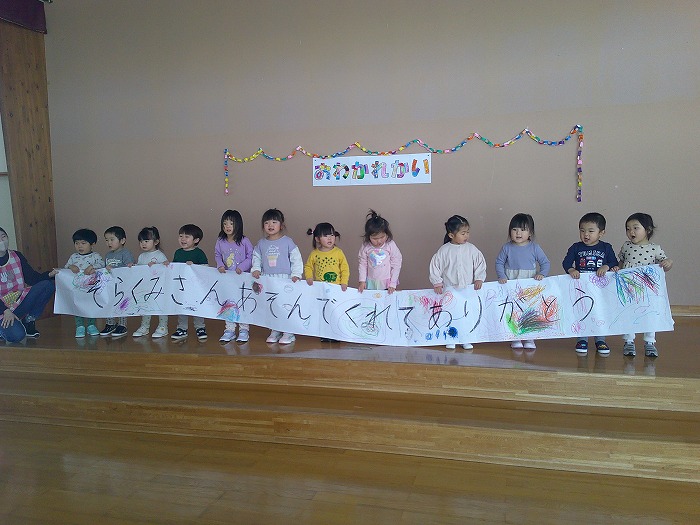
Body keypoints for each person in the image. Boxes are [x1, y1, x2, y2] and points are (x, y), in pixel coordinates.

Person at [617, 213, 673, 358]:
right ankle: (629, 341)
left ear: (647, 230)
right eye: (628, 228)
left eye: (635, 228)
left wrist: (668, 263)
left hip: (648, 289)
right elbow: (621, 263)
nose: (631, 232)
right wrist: (617, 269)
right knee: (629, 313)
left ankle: (650, 342)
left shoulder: (655, 248)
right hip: (629, 288)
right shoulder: (626, 246)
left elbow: (665, 263)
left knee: (649, 314)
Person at [562, 212, 619, 356]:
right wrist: (571, 270)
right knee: (583, 312)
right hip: (582, 288)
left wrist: (606, 266)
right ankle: (582, 339)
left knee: (600, 312)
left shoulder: (606, 247)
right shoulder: (576, 247)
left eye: (591, 231)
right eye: (582, 231)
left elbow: (614, 262)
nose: (585, 234)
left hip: (600, 289)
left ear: (601, 233)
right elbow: (566, 262)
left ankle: (600, 340)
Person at [429, 215, 487, 350]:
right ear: (451, 235)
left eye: (467, 232)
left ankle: (466, 339)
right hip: (450, 289)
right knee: (452, 314)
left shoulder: (471, 249)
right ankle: (451, 338)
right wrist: (437, 282)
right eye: (463, 233)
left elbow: (480, 263)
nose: (466, 236)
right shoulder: (444, 250)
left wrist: (479, 278)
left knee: (467, 314)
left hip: (467, 289)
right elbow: (435, 266)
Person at [495, 213, 551, 350]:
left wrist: (541, 274)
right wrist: (502, 276)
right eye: (514, 229)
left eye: (523, 230)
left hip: (529, 286)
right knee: (513, 310)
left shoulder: (534, 247)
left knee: (529, 310)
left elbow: (545, 263)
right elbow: (499, 262)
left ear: (530, 232)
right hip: (511, 284)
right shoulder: (507, 247)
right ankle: (515, 338)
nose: (518, 233)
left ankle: (529, 338)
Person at [251, 208, 303, 345]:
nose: (270, 225)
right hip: (268, 279)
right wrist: (256, 269)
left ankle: (288, 332)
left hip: (285, 278)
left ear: (281, 225)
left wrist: (296, 274)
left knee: (285, 304)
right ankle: (275, 329)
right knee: (272, 305)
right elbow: (256, 258)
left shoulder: (287, 242)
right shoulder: (261, 243)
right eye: (267, 223)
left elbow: (296, 258)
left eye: (274, 222)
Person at [0, 226, 55, 342]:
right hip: (2, 310)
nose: (1, 241)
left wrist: (51, 274)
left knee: (47, 285)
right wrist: (5, 310)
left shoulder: (16, 256)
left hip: (17, 301)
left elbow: (33, 278)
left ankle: (28, 320)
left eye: (3, 237)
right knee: (17, 336)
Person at [50, 228, 103, 337]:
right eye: (77, 243)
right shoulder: (73, 257)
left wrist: (92, 267)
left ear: (92, 244)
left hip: (90, 288)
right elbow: (65, 269)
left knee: (91, 305)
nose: (80, 246)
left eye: (83, 243)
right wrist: (71, 267)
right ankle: (80, 326)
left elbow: (102, 265)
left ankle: (91, 325)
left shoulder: (95, 256)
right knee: (77, 306)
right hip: (77, 288)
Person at [305, 223, 349, 343]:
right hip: (321, 289)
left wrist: (344, 282)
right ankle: (324, 333)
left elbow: (345, 268)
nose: (330, 238)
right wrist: (309, 277)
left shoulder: (338, 252)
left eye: (332, 235)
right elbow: (308, 266)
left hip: (336, 288)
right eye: (325, 236)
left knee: (335, 311)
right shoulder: (315, 253)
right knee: (323, 311)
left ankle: (336, 334)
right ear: (317, 239)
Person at [215, 210, 253, 343]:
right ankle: (229, 330)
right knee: (229, 303)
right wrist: (220, 265)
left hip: (242, 279)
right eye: (225, 223)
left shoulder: (244, 241)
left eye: (231, 223)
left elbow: (251, 257)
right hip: (228, 279)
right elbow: (217, 255)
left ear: (238, 224)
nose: (227, 226)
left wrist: (241, 267)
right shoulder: (220, 241)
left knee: (242, 303)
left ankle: (244, 330)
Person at [93, 226, 135, 339]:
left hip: (122, 285)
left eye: (112, 239)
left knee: (121, 304)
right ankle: (110, 323)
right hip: (110, 285)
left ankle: (122, 325)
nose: (109, 243)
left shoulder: (126, 253)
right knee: (109, 303)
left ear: (122, 240)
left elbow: (130, 268)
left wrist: (127, 267)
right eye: (107, 240)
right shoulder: (108, 255)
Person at [170, 224, 209, 342]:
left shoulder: (199, 253)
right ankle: (182, 329)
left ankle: (200, 328)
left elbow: (205, 268)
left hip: (196, 287)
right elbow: (174, 268)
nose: (183, 239)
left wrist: (194, 266)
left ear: (196, 240)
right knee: (182, 307)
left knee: (196, 307)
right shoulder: (178, 253)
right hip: (182, 287)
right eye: (180, 236)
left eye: (187, 237)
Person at [131, 226, 169, 338]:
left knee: (160, 306)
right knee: (146, 306)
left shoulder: (159, 255)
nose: (143, 244)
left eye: (146, 241)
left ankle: (163, 327)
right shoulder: (142, 256)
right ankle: (144, 326)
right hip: (146, 287)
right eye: (141, 241)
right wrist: (133, 266)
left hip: (158, 287)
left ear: (156, 242)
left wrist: (159, 265)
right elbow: (139, 270)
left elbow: (166, 267)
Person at [357, 209, 402, 294]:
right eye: (375, 238)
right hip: (371, 283)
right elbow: (362, 264)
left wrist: (393, 283)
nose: (379, 241)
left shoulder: (390, 244)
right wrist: (362, 280)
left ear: (387, 234)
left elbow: (396, 263)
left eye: (382, 237)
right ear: (368, 236)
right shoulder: (366, 246)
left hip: (387, 283)